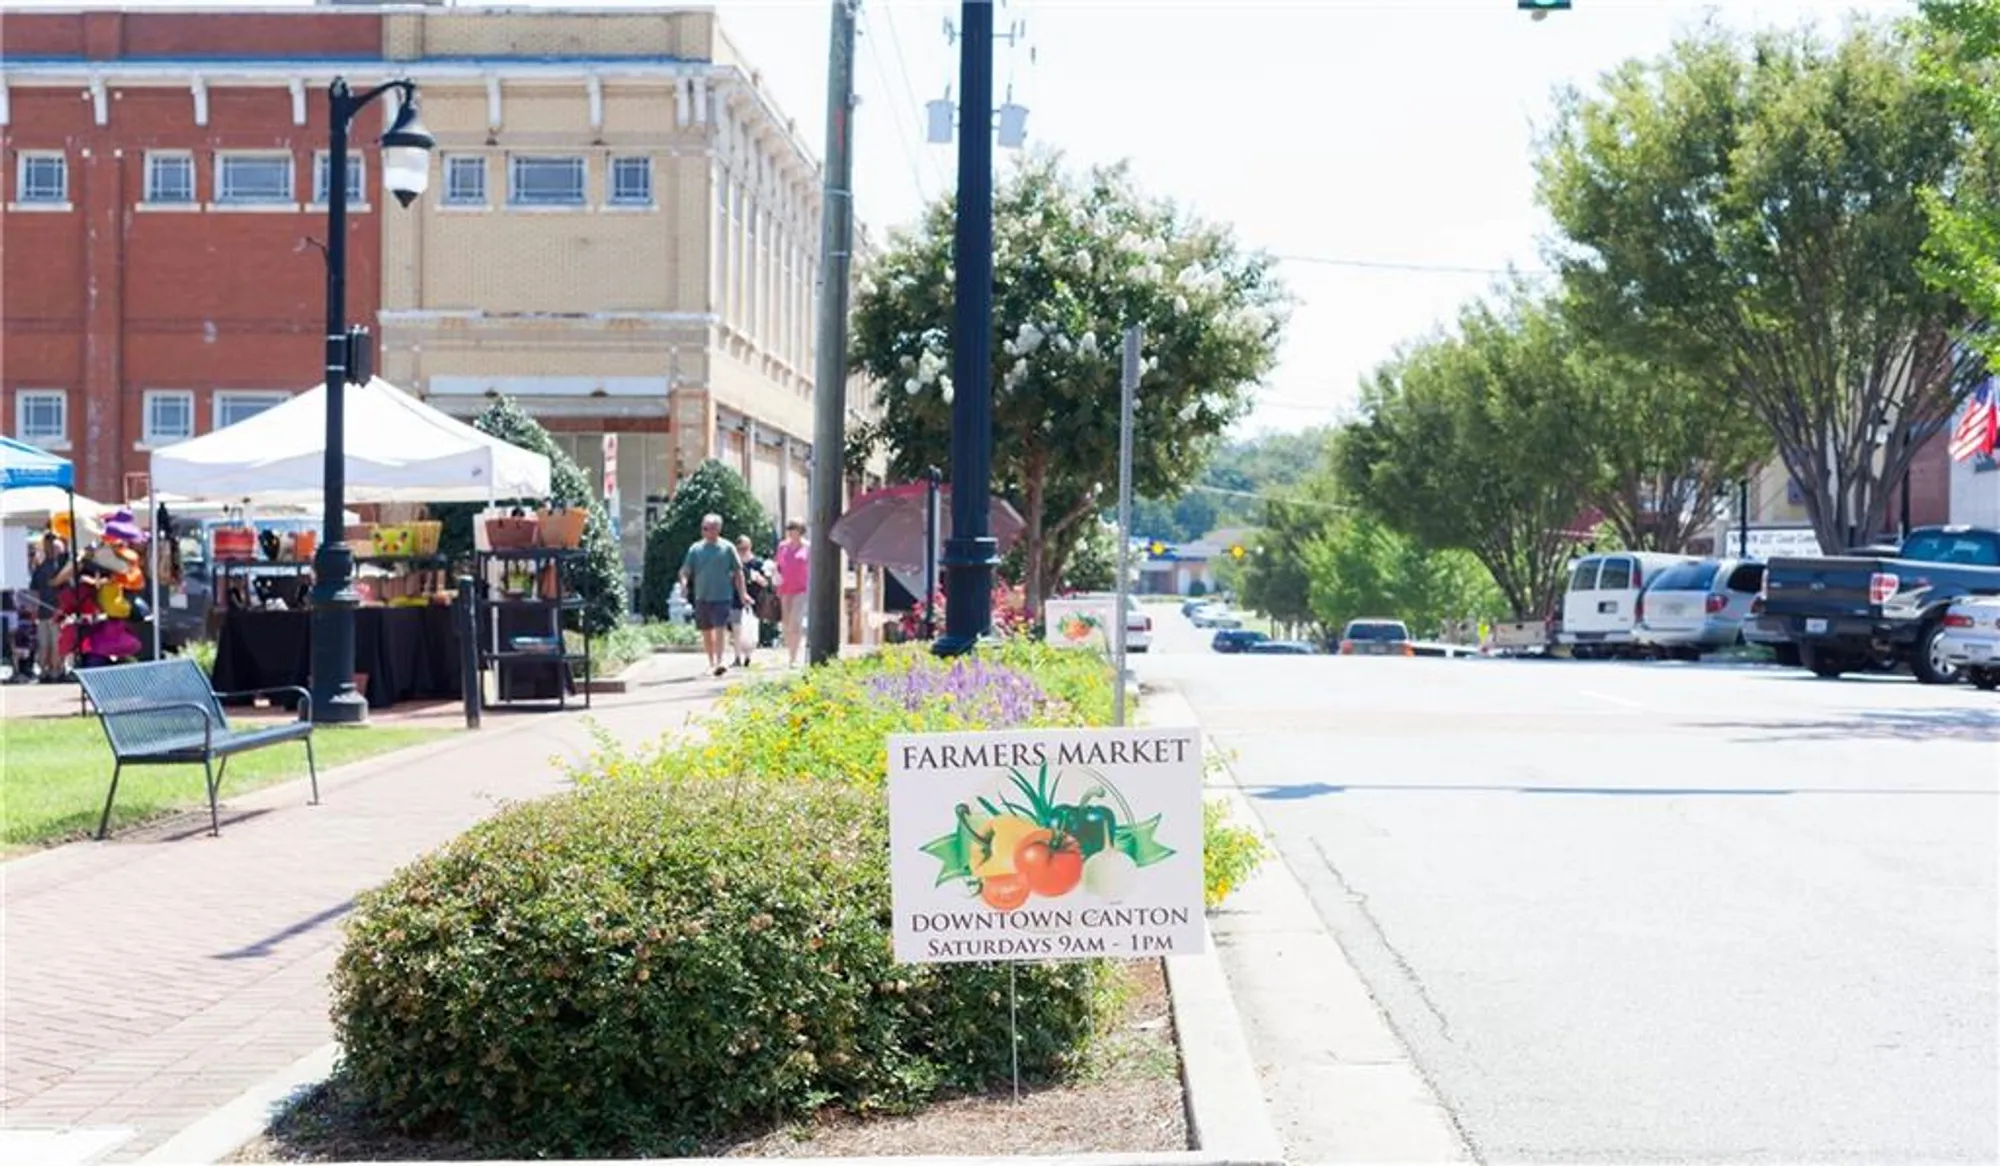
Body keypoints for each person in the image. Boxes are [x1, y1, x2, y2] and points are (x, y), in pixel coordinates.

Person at [679, 513, 749, 677]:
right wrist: (684, 584)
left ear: (717, 529)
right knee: (706, 631)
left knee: (720, 628)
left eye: (708, 528)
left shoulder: (727, 547)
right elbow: (685, 570)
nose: (705, 532)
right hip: (702, 596)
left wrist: (743, 593)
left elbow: (738, 572)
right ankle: (711, 662)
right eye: (703, 528)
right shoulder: (695, 549)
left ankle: (720, 661)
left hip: (722, 596)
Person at [28, 533, 68, 683]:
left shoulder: (63, 566)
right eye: (48, 544)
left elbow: (66, 590)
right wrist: (34, 609)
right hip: (43, 613)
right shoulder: (41, 567)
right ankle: (45, 671)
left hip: (58, 612)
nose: (50, 547)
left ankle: (56, 671)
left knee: (56, 645)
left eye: (53, 544)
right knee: (44, 644)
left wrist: (62, 608)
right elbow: (35, 590)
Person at [773, 518, 810, 666]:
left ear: (800, 530)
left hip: (801, 588)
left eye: (793, 528)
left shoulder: (808, 547)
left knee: (796, 621)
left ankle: (794, 657)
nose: (790, 531)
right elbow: (778, 565)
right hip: (784, 588)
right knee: (787, 623)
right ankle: (790, 652)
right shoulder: (782, 546)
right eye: (788, 528)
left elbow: (812, 567)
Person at [733, 534, 771, 669]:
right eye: (740, 548)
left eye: (745, 548)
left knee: (751, 630)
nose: (743, 551)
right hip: (736, 599)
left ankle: (748, 656)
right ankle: (737, 657)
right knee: (736, 628)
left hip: (754, 601)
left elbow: (766, 583)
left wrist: (757, 578)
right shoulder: (734, 562)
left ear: (750, 547)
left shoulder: (758, 563)